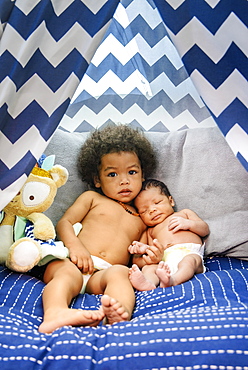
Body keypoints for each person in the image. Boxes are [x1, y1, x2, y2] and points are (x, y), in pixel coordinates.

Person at [38, 124, 157, 333]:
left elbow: (137, 258)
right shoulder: (92, 198)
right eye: (112, 174)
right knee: (66, 275)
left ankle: (120, 314)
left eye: (132, 172)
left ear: (143, 175)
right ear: (97, 180)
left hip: (101, 276)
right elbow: (64, 223)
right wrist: (75, 247)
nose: (124, 180)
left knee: (120, 272)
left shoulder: (142, 219)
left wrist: (148, 256)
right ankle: (55, 312)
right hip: (72, 261)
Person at [128, 179, 209, 291]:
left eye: (157, 203)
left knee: (189, 261)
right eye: (144, 211)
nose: (152, 210)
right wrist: (147, 254)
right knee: (149, 268)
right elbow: (136, 261)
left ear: (171, 201)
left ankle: (174, 280)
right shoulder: (149, 231)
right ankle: (148, 283)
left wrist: (189, 224)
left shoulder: (184, 214)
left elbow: (205, 229)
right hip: (164, 262)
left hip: (190, 253)